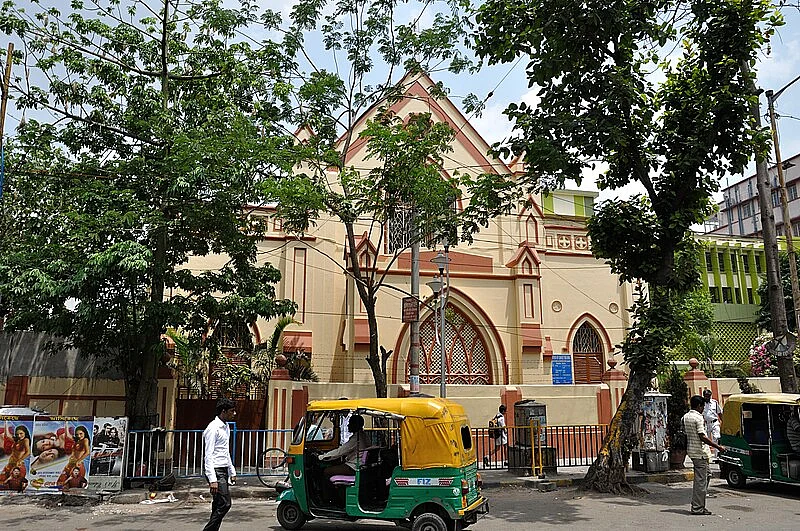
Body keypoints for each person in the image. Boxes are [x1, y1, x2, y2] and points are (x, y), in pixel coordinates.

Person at [683, 395, 726, 516]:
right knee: (701, 481)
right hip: (699, 452)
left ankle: (698, 503)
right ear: (699, 406)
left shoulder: (685, 417)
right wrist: (718, 447)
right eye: (702, 406)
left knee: (707, 475)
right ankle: (697, 507)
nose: (703, 409)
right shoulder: (698, 418)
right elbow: (702, 436)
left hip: (692, 451)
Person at [203, 398, 237, 531]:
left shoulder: (226, 426)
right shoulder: (213, 428)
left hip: (223, 468)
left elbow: (225, 451)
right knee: (225, 503)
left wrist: (231, 471)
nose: (234, 414)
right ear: (223, 411)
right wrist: (212, 479)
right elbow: (208, 454)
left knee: (218, 504)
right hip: (215, 470)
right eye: (231, 411)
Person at [319, 414, 370, 504]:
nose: (348, 425)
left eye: (350, 423)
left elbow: (340, 451)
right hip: (359, 465)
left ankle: (329, 500)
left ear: (355, 425)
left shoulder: (357, 438)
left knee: (326, 471)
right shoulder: (364, 436)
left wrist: (321, 457)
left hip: (353, 467)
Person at [702, 390, 723, 459]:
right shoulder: (701, 403)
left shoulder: (714, 403)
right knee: (706, 439)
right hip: (706, 424)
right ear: (704, 396)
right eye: (706, 396)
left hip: (714, 422)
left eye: (709, 396)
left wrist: (723, 421)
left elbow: (719, 413)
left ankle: (717, 455)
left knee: (716, 437)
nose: (707, 398)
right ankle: (707, 454)